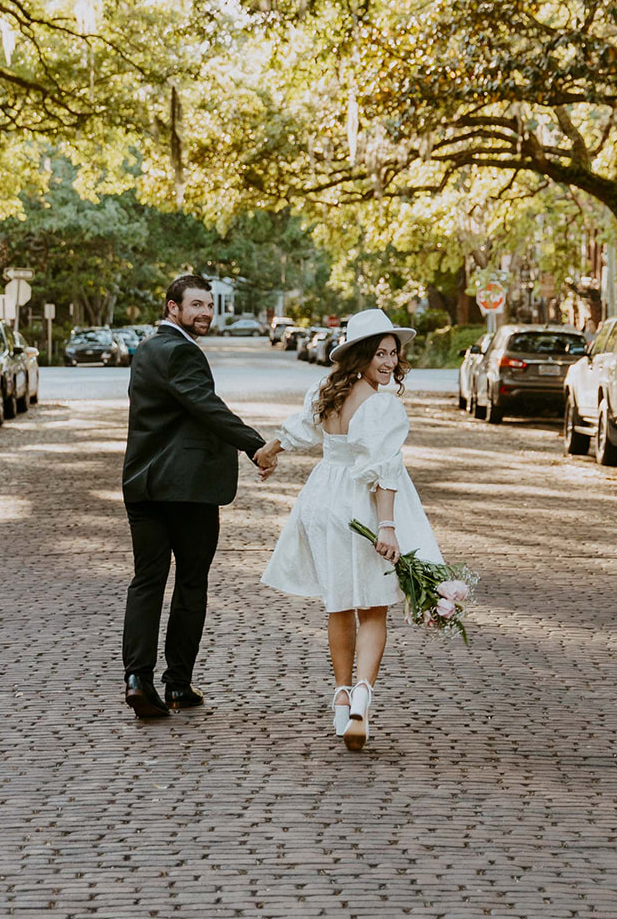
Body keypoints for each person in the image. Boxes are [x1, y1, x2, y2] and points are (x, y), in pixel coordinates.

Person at [258, 308, 443, 751]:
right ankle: (361, 697)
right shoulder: (382, 404)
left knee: (338, 604)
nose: (389, 363)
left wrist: (270, 449)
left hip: (322, 500)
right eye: (380, 353)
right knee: (373, 609)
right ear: (360, 355)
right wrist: (388, 526)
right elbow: (383, 471)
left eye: (393, 355)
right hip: (357, 509)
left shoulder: (326, 390)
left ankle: (340, 698)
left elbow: (301, 429)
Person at [121, 273, 277, 718]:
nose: (205, 312)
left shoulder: (147, 350)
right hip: (186, 491)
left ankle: (137, 678)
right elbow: (206, 407)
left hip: (142, 486)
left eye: (209, 305)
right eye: (196, 305)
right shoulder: (183, 352)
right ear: (173, 308)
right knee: (191, 583)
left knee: (147, 581)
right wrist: (255, 445)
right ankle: (177, 684)